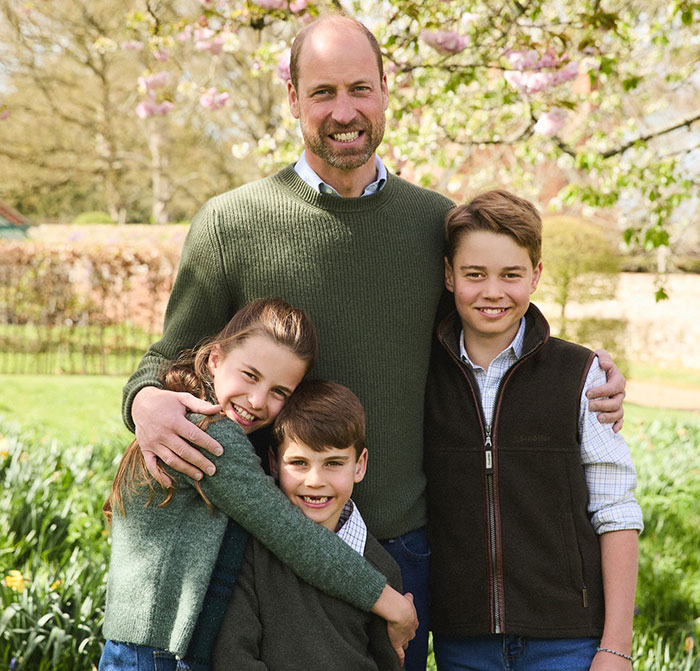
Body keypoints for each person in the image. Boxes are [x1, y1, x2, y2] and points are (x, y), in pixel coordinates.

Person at [121, 14, 627, 671]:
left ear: (386, 91)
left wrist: (591, 375)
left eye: (360, 88)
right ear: (293, 99)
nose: (344, 111)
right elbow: (174, 355)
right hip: (269, 542)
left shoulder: (433, 224)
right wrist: (142, 401)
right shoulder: (230, 224)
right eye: (323, 92)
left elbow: (496, 317)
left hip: (401, 543)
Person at [99, 299, 416, 671]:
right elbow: (291, 535)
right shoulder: (209, 435)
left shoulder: (197, 420)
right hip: (156, 655)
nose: (257, 401)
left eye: (279, 392)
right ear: (215, 358)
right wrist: (391, 603)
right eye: (249, 375)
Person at [424, 190, 643, 671]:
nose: (492, 291)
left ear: (536, 275)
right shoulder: (422, 377)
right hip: (463, 642)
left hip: (568, 641)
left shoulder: (579, 375)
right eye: (474, 274)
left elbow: (617, 510)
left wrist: (616, 647)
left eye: (511, 274)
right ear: (448, 275)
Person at [213, 379, 403, 671]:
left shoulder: (382, 569)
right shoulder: (251, 552)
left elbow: (388, 664)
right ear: (274, 464)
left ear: (360, 465)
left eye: (333, 463)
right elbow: (232, 656)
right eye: (299, 463)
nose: (315, 481)